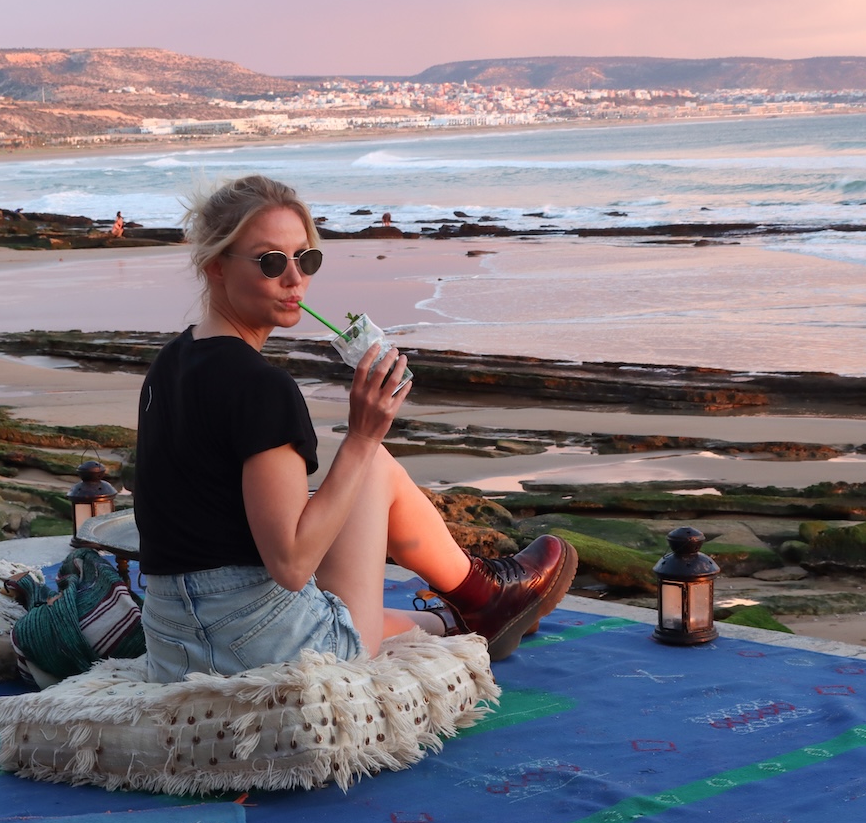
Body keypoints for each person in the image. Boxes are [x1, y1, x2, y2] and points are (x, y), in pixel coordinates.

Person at [133, 175, 576, 683]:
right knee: (371, 468)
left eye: (307, 259)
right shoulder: (261, 387)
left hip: (175, 643)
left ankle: (460, 617)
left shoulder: (169, 363)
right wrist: (364, 436)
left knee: (342, 495)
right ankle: (483, 594)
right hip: (260, 651)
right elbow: (292, 566)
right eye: (271, 262)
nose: (294, 279)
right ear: (215, 265)